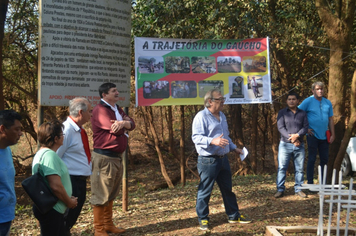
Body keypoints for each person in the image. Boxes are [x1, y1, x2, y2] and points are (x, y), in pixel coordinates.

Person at [191, 88, 251, 231]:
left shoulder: (222, 115)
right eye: (220, 99)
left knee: (227, 189)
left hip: (223, 159)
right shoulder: (201, 116)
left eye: (223, 99)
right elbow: (196, 137)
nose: (223, 101)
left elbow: (226, 137)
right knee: (205, 191)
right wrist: (213, 141)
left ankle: (233, 215)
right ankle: (203, 219)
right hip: (208, 160)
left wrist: (234, 148)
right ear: (210, 102)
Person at [90, 83, 135, 235]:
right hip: (105, 157)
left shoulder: (117, 109)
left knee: (111, 193)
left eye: (117, 90)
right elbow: (113, 130)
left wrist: (123, 123)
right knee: (101, 194)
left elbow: (132, 124)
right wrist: (124, 125)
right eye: (113, 91)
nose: (117, 93)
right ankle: (99, 229)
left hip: (116, 157)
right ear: (104, 95)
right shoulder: (100, 110)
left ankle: (108, 225)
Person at [32, 121, 78, 236]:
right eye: (62, 135)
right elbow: (55, 186)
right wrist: (69, 202)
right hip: (53, 209)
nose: (64, 137)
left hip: (52, 208)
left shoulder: (41, 153)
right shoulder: (49, 156)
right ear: (56, 138)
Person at [56, 97, 92, 235]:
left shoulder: (79, 129)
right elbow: (56, 156)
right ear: (81, 112)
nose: (91, 114)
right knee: (66, 217)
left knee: (71, 217)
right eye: (90, 111)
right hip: (70, 180)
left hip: (79, 181)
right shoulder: (66, 130)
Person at [299, 81, 335, 185]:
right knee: (312, 158)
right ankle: (310, 182)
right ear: (313, 90)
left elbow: (331, 119)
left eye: (322, 89)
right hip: (312, 135)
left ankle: (322, 182)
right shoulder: (308, 101)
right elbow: (298, 114)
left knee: (324, 159)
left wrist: (333, 134)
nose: (320, 91)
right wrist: (305, 129)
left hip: (325, 136)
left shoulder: (327, 102)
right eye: (318, 89)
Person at [274, 92, 309, 198]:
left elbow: (305, 127)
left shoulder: (302, 113)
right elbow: (280, 127)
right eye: (289, 99)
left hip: (299, 145)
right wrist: (292, 139)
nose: (291, 101)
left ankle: (298, 189)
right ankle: (280, 189)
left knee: (299, 168)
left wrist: (297, 135)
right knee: (282, 167)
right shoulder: (282, 112)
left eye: (293, 99)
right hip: (285, 144)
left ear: (298, 101)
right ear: (286, 101)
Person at [0, 110, 22, 236]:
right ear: (2, 129)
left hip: (6, 216)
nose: (20, 133)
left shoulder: (7, 150)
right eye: (16, 129)